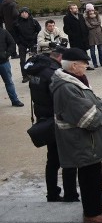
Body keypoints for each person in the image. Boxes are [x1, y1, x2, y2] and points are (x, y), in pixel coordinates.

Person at [51, 48, 102, 223]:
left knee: (93, 173)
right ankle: (91, 213)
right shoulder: (66, 87)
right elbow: (89, 118)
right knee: (88, 175)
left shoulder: (76, 80)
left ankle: (94, 204)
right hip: (81, 140)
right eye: (84, 64)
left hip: (87, 140)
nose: (86, 66)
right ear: (73, 65)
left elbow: (93, 99)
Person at [24, 45, 77, 199]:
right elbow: (61, 97)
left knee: (52, 159)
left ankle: (52, 192)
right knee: (68, 157)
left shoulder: (37, 69)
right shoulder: (54, 73)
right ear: (60, 57)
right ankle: (70, 193)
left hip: (43, 117)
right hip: (57, 118)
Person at [13, 7, 40, 77]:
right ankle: (25, 75)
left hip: (32, 42)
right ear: (20, 14)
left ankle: (35, 73)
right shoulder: (16, 23)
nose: (24, 14)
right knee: (22, 61)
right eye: (22, 12)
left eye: (26, 12)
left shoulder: (34, 21)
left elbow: (39, 30)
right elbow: (14, 34)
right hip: (22, 44)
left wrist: (35, 39)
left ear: (28, 13)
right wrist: (19, 42)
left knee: (34, 58)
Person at [1, 25, 24, 107]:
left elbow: (12, 43)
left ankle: (15, 100)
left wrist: (7, 54)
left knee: (9, 82)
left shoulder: (3, 32)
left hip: (3, 62)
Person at [83, 4, 102, 69]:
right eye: (90, 10)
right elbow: (88, 26)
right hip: (91, 35)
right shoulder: (85, 17)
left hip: (99, 34)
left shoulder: (97, 15)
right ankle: (95, 63)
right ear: (87, 11)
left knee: (100, 49)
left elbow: (99, 23)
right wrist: (95, 25)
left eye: (92, 10)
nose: (91, 12)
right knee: (92, 51)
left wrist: (93, 24)